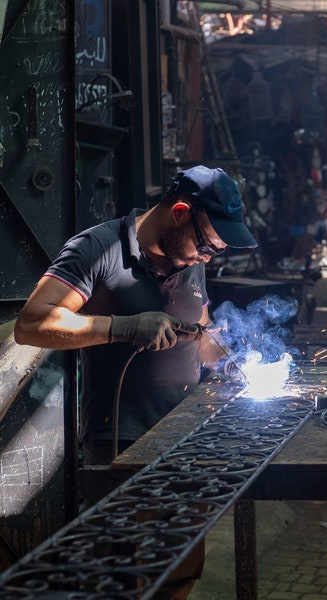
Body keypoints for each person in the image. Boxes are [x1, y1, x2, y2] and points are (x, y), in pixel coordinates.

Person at [14, 165, 257, 463]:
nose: (206, 257)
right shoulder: (98, 248)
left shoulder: (193, 261)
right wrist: (125, 327)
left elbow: (200, 334)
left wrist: (231, 364)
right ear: (180, 211)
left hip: (189, 431)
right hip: (123, 441)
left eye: (215, 251)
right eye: (205, 245)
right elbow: (31, 323)